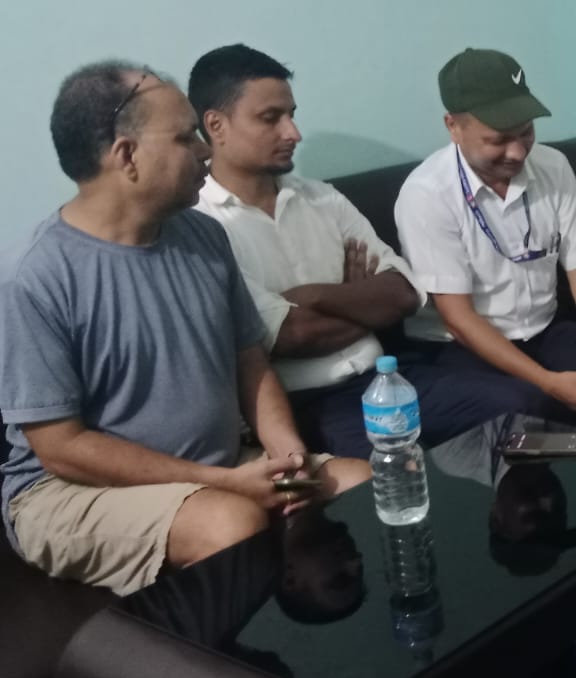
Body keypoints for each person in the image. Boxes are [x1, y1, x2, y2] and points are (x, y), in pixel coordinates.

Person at [0, 62, 366, 596]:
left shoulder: (204, 237)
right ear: (126, 155)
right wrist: (223, 482)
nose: (204, 150)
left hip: (218, 465)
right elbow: (62, 448)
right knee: (232, 523)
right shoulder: (33, 277)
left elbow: (251, 363)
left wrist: (287, 454)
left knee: (365, 483)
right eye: (185, 136)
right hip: (68, 491)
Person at [190, 44, 530, 458]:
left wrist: (314, 296)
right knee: (400, 466)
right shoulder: (201, 226)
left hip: (387, 377)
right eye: (270, 118)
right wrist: (360, 302)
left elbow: (403, 295)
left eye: (291, 115)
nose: (293, 133)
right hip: (305, 403)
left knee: (523, 405)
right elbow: (289, 336)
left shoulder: (322, 198)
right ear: (216, 125)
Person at [394, 48, 576, 425]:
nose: (518, 151)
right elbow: (458, 319)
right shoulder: (427, 194)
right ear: (453, 126)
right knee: (530, 406)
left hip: (545, 329)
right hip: (461, 347)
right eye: (499, 139)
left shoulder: (553, 166)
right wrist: (547, 382)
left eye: (526, 132)